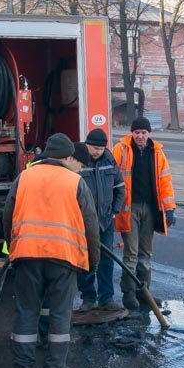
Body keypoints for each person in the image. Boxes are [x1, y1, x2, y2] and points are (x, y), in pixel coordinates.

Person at [2, 133, 99, 368]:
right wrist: (92, 262)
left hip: (26, 256)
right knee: (59, 314)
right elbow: (91, 225)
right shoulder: (75, 182)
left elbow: (7, 215)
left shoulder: (24, 177)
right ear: (67, 157)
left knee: (26, 310)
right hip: (63, 259)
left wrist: (13, 248)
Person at [110, 117, 176, 310]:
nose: (140, 136)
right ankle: (128, 294)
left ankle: (143, 292)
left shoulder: (157, 152)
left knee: (145, 253)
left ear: (149, 134)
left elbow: (165, 182)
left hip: (150, 208)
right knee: (131, 253)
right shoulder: (120, 149)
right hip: (129, 208)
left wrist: (170, 208)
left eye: (143, 133)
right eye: (137, 132)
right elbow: (112, 178)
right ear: (132, 133)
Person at [74, 128, 125, 311]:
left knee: (106, 260)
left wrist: (114, 211)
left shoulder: (110, 161)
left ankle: (106, 298)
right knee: (86, 260)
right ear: (87, 145)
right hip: (84, 223)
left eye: (100, 148)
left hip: (105, 221)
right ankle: (88, 298)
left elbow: (120, 188)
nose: (97, 151)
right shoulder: (79, 162)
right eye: (94, 147)